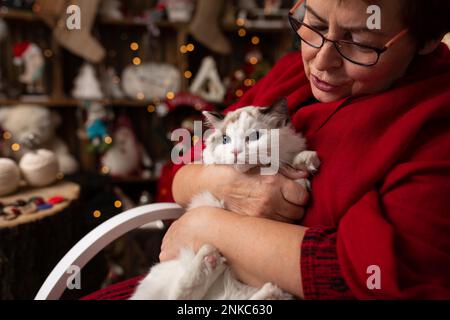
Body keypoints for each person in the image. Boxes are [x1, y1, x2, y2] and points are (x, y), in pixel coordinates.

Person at [83, 0, 450, 300]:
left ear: (427, 39)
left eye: (359, 42)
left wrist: (208, 226)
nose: (322, 62)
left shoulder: (435, 128)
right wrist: (229, 189)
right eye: (315, 24)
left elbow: (367, 279)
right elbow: (178, 175)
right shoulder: (291, 74)